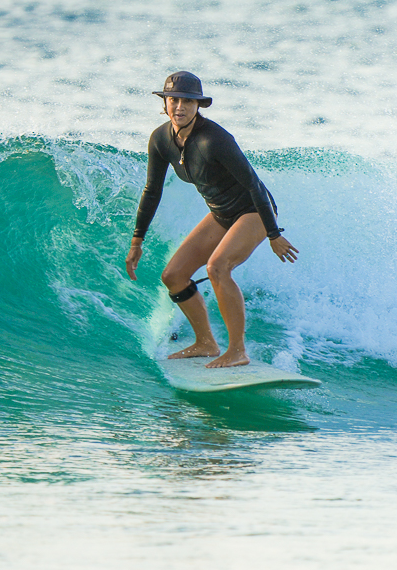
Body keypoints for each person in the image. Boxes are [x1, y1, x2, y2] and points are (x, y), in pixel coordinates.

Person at [125, 71, 298, 368]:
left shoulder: (214, 139)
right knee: (173, 276)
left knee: (218, 267)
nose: (179, 107)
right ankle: (206, 343)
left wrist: (273, 234)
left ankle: (237, 350)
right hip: (221, 212)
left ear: (198, 105)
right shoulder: (161, 139)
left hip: (254, 210)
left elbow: (254, 185)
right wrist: (137, 241)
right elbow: (152, 190)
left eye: (187, 101)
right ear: (165, 103)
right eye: (173, 100)